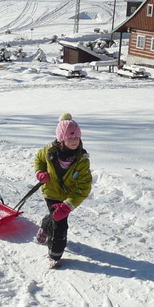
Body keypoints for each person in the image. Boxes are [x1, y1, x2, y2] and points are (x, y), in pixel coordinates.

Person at [34, 113, 92, 268]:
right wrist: (40, 173)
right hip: (51, 193)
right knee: (60, 225)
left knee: (57, 216)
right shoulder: (49, 151)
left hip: (68, 197)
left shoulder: (82, 160)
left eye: (77, 138)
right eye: (70, 138)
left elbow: (84, 188)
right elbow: (38, 159)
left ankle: (44, 227)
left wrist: (68, 206)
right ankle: (54, 255)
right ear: (61, 139)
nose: (74, 141)